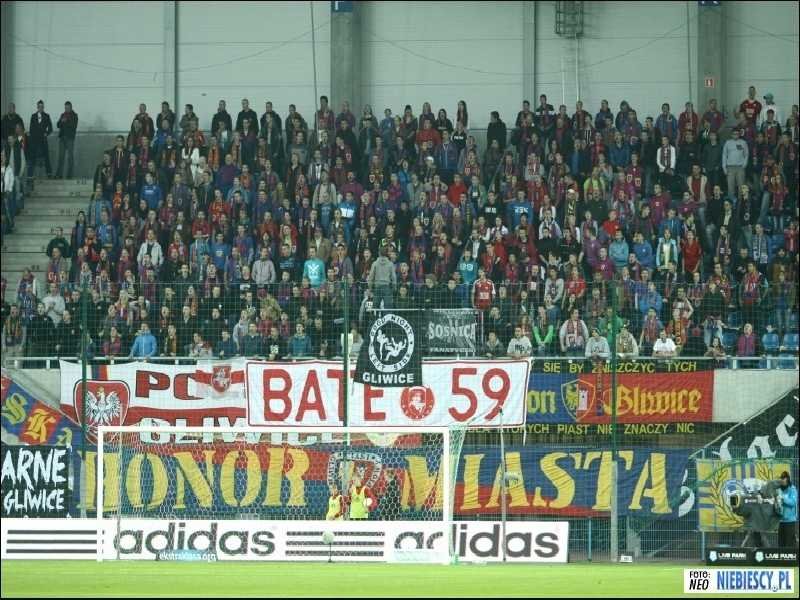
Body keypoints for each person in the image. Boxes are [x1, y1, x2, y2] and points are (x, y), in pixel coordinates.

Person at [28, 100, 54, 180]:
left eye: (42, 107)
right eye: (39, 106)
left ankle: (49, 174)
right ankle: (30, 175)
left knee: (46, 157)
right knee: (32, 157)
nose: (40, 108)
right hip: (35, 140)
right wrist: (32, 139)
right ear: (37, 107)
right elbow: (31, 129)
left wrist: (46, 133)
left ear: (43, 107)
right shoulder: (33, 116)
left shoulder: (47, 116)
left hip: (43, 140)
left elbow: (51, 128)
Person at [55, 101, 78, 178]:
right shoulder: (62, 115)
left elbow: (74, 126)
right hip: (62, 138)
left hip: (70, 139)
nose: (66, 109)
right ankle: (59, 175)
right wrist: (62, 121)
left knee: (70, 157)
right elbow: (58, 125)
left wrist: (66, 121)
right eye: (65, 108)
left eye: (68, 108)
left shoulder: (75, 115)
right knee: (61, 157)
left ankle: (69, 175)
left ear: (71, 107)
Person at [777, 471, 797, 549]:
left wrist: (783, 498)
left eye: (784, 478)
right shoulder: (779, 490)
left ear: (787, 479)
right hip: (781, 521)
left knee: (789, 545)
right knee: (781, 544)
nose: (782, 480)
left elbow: (793, 502)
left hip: (790, 521)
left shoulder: (792, 489)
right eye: (781, 478)